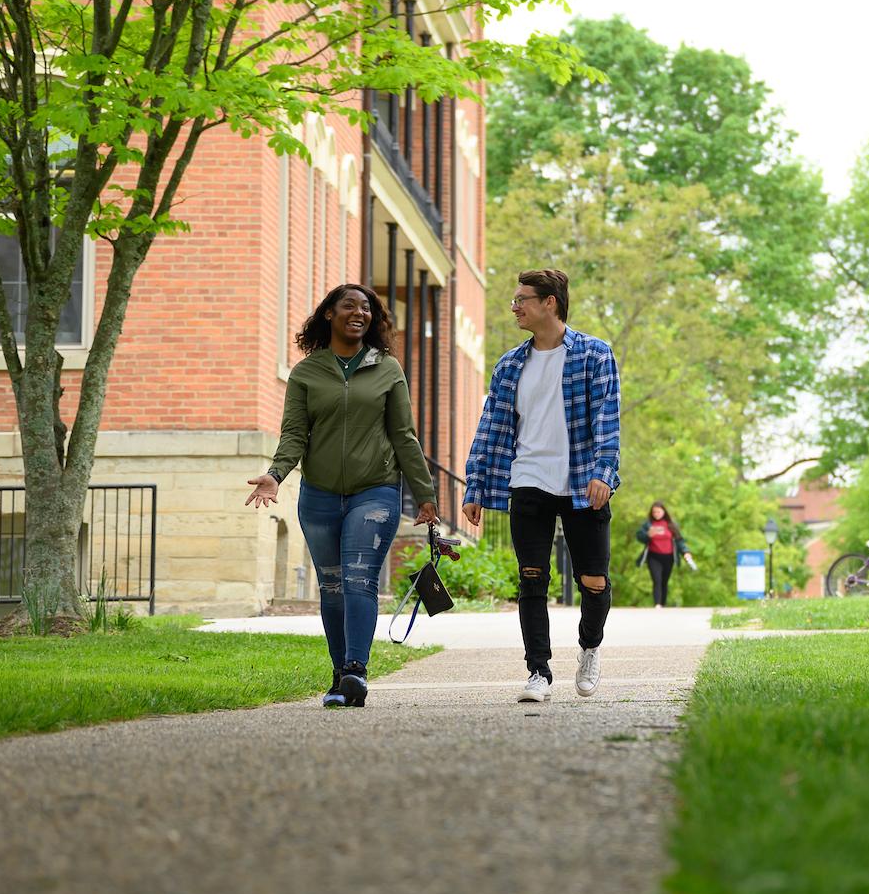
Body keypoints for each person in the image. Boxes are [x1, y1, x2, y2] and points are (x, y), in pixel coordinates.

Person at [246, 283, 438, 709]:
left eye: (366, 307)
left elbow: (403, 436)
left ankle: (356, 669)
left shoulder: (387, 369)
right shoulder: (307, 373)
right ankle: (339, 676)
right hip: (319, 496)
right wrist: (277, 474)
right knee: (331, 587)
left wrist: (424, 494)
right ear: (328, 314)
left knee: (358, 579)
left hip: (376, 492)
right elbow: (295, 434)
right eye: (349, 305)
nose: (359, 312)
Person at [460, 267, 621, 702]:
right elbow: (490, 426)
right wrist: (475, 485)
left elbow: (607, 420)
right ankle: (539, 671)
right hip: (527, 478)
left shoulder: (594, 354)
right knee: (532, 577)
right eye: (514, 300)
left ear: (549, 302)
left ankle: (589, 647)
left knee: (594, 581)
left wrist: (603, 472)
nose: (514, 307)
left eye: (521, 299)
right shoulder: (511, 364)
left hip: (582, 481)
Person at [633, 501, 695, 608]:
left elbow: (679, 540)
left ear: (664, 512)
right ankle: (657, 604)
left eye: (658, 511)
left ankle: (662, 604)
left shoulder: (671, 524)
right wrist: (648, 535)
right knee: (656, 579)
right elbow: (639, 536)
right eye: (654, 512)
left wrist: (686, 552)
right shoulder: (648, 524)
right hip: (653, 556)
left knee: (664, 581)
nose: (656, 514)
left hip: (669, 557)